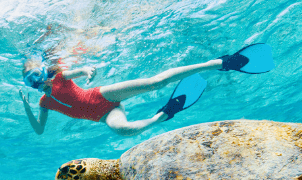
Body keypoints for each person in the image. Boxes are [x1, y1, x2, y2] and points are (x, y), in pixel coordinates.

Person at [20, 44, 273, 136]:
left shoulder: (61, 78)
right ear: (30, 87)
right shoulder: (43, 103)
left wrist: (88, 72)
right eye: (32, 82)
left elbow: (82, 70)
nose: (39, 83)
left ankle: (218, 63)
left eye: (38, 76)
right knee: (123, 130)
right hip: (104, 115)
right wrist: (27, 107)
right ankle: (162, 115)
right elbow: (39, 130)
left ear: (44, 72)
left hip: (104, 95)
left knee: (155, 82)